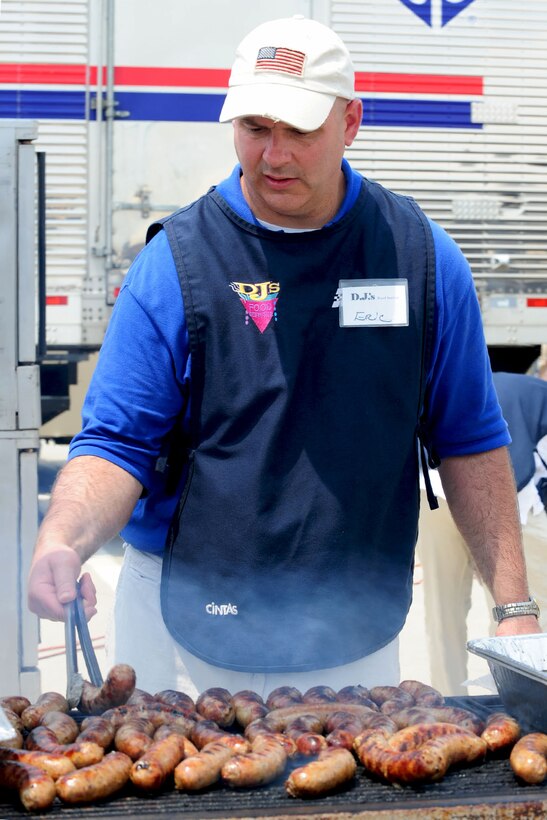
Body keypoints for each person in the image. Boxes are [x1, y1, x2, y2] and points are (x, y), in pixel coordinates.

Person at [27, 16, 540, 700]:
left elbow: (468, 439)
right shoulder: (175, 262)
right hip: (182, 623)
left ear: (350, 122)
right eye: (254, 127)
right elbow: (117, 443)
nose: (273, 154)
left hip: (349, 627)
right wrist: (63, 537)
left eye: (298, 130)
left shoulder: (419, 257)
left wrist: (514, 608)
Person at [417, 370, 547, 695]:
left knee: (443, 608)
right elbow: (530, 470)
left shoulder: (479, 379)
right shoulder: (541, 397)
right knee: (511, 608)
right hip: (496, 498)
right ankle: (509, 698)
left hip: (435, 491)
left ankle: (448, 700)